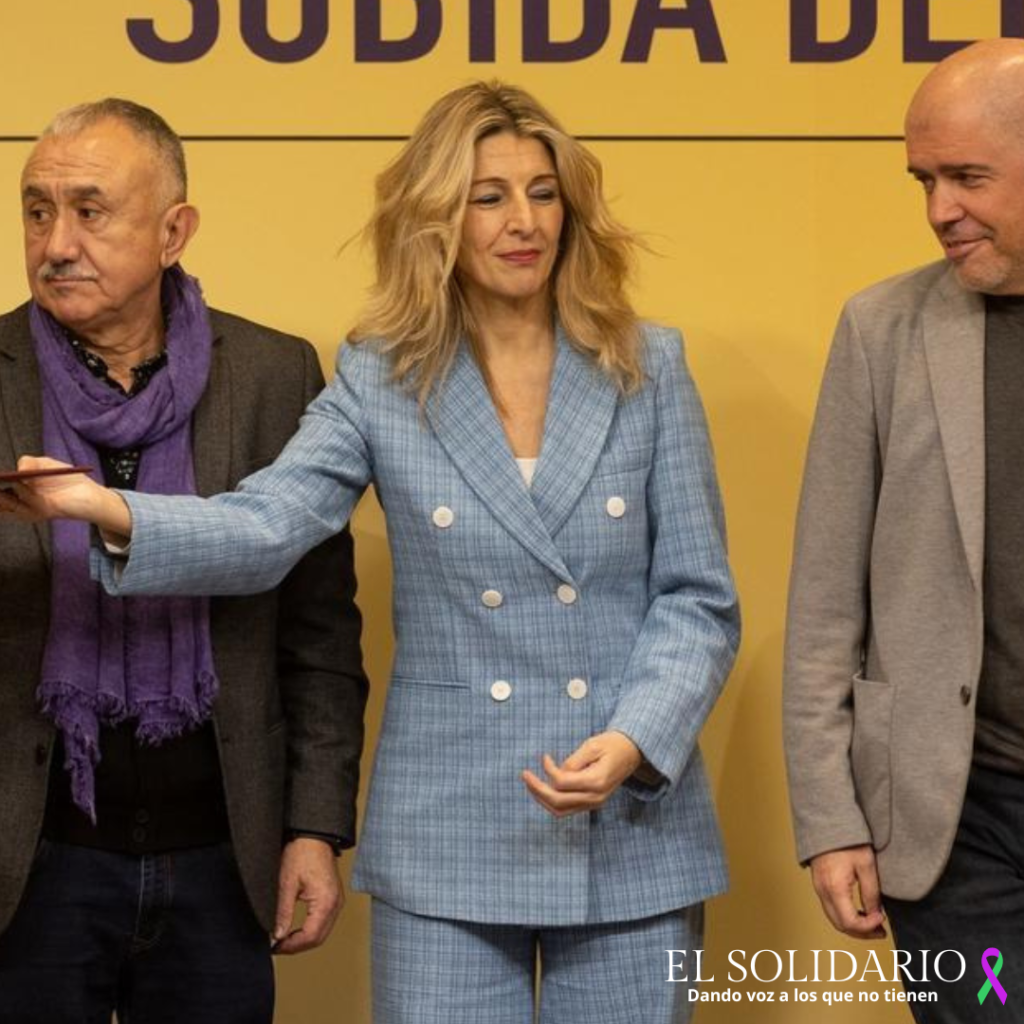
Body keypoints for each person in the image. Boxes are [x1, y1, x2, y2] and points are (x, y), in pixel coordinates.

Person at [3, 82, 739, 1024]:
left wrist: (637, 735)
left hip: (633, 817)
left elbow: (698, 597)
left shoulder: (651, 364)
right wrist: (113, 510)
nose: (525, 222)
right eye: (488, 196)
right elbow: (268, 524)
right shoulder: (380, 376)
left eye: (544, 193)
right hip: (450, 826)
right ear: (437, 218)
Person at [0, 99, 367, 1023]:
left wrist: (315, 829)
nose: (55, 242)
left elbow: (318, 633)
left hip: (223, 856)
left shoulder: (276, 375)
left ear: (174, 231)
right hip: (26, 862)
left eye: (90, 210)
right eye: (37, 210)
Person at [784, 38, 1024, 1020]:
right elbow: (822, 603)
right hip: (953, 824)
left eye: (968, 176)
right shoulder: (880, 329)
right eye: (924, 179)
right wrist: (829, 820)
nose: (938, 210)